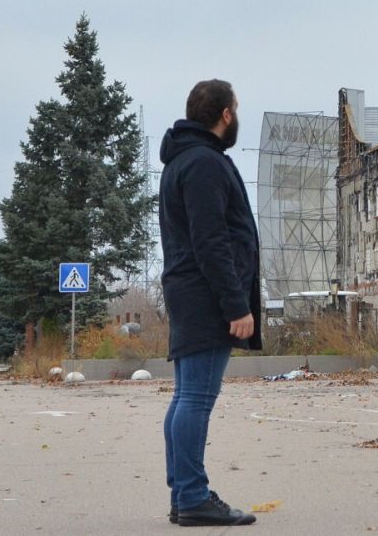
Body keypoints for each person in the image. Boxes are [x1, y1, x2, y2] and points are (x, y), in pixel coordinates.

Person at [158, 79, 260, 527]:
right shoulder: (203, 163)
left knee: (186, 397)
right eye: (236, 109)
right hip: (204, 295)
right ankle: (193, 496)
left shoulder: (186, 159)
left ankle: (184, 494)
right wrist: (235, 305)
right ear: (225, 115)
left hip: (189, 290)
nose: (237, 116)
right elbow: (211, 241)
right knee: (195, 399)